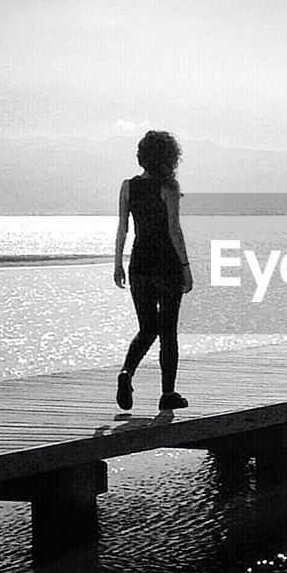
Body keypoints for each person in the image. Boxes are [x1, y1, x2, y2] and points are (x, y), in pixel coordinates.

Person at [114, 130, 193, 411]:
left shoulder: (128, 186)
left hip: (139, 266)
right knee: (168, 331)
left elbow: (123, 227)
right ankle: (167, 394)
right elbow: (174, 230)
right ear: (169, 157)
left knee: (147, 328)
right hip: (167, 265)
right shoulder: (168, 188)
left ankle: (126, 373)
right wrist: (185, 267)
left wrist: (117, 264)